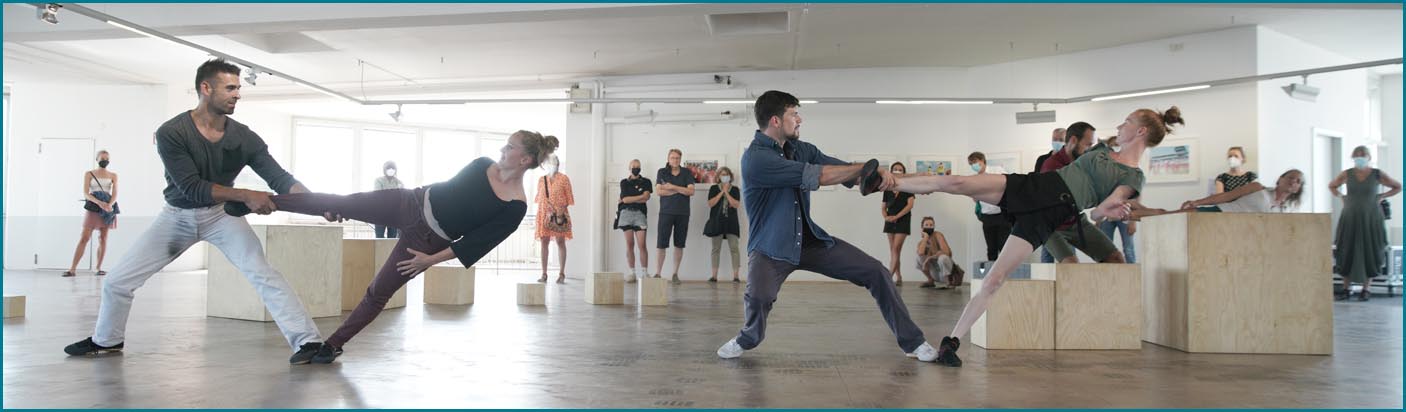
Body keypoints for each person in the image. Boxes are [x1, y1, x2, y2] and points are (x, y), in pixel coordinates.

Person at [63, 58, 326, 364]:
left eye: (238, 88)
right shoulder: (172, 132)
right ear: (206, 88)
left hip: (221, 216)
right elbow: (192, 187)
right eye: (230, 88)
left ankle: (308, 342)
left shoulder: (244, 137)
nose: (237, 94)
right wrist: (246, 195)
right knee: (117, 281)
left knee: (263, 273)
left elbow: (280, 178)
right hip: (177, 217)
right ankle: (106, 340)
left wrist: (320, 204)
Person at [881, 106, 1184, 367]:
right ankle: (888, 182)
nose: (1120, 125)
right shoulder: (1101, 149)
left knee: (994, 279)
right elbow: (1071, 159)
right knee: (958, 182)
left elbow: (1097, 213)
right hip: (1037, 186)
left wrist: (1113, 210)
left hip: (1052, 215)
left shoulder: (1133, 177)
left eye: (1127, 122)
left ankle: (952, 343)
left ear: (1141, 131)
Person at [229, 131, 556, 363]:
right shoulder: (480, 163)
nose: (502, 148)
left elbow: (474, 244)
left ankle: (331, 346)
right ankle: (261, 202)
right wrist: (362, 208)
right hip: (408, 202)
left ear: (525, 158)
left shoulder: (515, 206)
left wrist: (428, 260)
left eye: (510, 146)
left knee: (378, 292)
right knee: (338, 201)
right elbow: (450, 194)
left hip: (426, 243)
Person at [716, 90, 944, 363]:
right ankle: (746, 339)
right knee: (758, 299)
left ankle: (913, 342)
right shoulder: (756, 159)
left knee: (877, 272)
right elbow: (821, 175)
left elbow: (852, 174)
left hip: (809, 241)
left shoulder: (802, 150)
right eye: (794, 114)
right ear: (776, 120)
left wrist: (913, 182)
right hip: (770, 248)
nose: (800, 119)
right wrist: (867, 168)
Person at [1037, 122, 1125, 264]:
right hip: (1049, 225)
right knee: (1071, 264)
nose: (1090, 149)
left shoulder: (1085, 162)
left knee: (1115, 258)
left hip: (1073, 220)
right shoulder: (1051, 165)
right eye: (1088, 145)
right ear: (1073, 141)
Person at [1328, 146, 1402, 301]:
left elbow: (1397, 187)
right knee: (1347, 248)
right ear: (1353, 157)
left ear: (1369, 157)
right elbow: (1332, 186)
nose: (1360, 157)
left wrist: (1382, 196)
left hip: (1371, 217)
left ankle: (1366, 289)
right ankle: (1346, 288)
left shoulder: (1377, 174)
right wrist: (1341, 196)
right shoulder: (1347, 174)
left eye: (1362, 155)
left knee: (1371, 249)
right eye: (1357, 155)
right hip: (1350, 216)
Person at [1134, 169, 1304, 217]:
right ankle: (1129, 213)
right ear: (1280, 179)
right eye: (1290, 177)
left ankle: (1130, 211)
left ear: (1299, 188)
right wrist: (1198, 202)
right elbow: (1227, 196)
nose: (1293, 182)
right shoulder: (1258, 188)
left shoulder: (1284, 210)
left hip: (1235, 231)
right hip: (1219, 213)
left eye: (1298, 181)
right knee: (1167, 216)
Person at [65, 150, 119, 277]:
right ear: (97, 159)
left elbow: (115, 193)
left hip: (107, 208)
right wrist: (99, 203)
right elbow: (86, 193)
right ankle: (72, 269)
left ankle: (98, 268)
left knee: (103, 238)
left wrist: (109, 205)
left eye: (107, 159)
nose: (105, 161)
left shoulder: (113, 175)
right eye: (102, 158)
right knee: (84, 237)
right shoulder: (89, 174)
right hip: (94, 207)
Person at [655, 148, 696, 284]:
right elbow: (659, 192)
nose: (675, 160)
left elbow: (691, 191)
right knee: (661, 244)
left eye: (677, 158)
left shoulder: (687, 172)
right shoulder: (662, 172)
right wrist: (680, 190)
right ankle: (658, 274)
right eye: (672, 158)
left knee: (679, 244)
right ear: (668, 159)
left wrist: (672, 187)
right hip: (665, 212)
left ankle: (675, 274)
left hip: (682, 213)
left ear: (680, 159)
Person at [1097, 136, 1138, 263]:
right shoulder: (1103, 170)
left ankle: (1132, 274)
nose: (1116, 148)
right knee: (1105, 250)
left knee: (1128, 249)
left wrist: (1133, 221)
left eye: (1118, 145)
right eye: (1113, 145)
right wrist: (1098, 219)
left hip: (1125, 214)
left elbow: (1136, 196)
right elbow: (1100, 196)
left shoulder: (1132, 167)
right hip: (1107, 216)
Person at [535, 154, 573, 284]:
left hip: (559, 215)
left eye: (555, 162)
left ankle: (562, 273)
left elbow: (569, 198)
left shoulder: (564, 179)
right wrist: (546, 211)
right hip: (544, 215)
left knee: (560, 242)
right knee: (544, 242)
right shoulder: (542, 180)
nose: (553, 165)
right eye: (550, 162)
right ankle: (544, 273)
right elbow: (539, 199)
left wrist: (560, 210)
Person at [705, 166, 743, 283]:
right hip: (717, 222)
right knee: (715, 249)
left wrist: (727, 191)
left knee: (734, 248)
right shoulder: (713, 188)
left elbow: (736, 204)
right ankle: (714, 276)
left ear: (730, 176)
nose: (724, 176)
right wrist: (722, 191)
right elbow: (711, 203)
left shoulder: (735, 189)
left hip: (731, 222)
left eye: (726, 174)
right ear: (718, 176)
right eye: (722, 174)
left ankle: (736, 276)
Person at [617, 160, 652, 283]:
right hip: (626, 214)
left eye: (638, 167)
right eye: (633, 167)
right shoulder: (624, 182)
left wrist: (630, 198)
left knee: (642, 244)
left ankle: (645, 273)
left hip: (640, 214)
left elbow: (646, 197)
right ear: (629, 168)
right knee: (630, 244)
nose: (636, 168)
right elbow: (625, 200)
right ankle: (632, 273)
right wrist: (639, 197)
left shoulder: (646, 181)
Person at [969, 152, 1009, 262]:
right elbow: (975, 199)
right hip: (986, 216)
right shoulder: (974, 179)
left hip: (1002, 214)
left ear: (982, 160)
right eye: (971, 164)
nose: (973, 165)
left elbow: (1008, 185)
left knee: (1004, 245)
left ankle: (1006, 269)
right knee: (991, 248)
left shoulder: (997, 170)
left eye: (975, 162)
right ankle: (992, 271)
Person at [882, 162, 916, 286]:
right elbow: (883, 207)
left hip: (902, 220)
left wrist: (897, 217)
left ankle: (889, 276)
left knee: (895, 249)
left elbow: (910, 205)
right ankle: (899, 277)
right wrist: (886, 217)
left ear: (904, 172)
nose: (897, 171)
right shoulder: (888, 188)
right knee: (894, 251)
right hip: (890, 221)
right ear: (891, 171)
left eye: (900, 169)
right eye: (895, 169)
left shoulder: (908, 187)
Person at [915, 217, 963, 290]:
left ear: (934, 226)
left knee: (943, 258)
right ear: (922, 227)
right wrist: (925, 237)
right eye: (926, 225)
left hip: (947, 273)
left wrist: (929, 258)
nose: (929, 227)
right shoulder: (921, 242)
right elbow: (920, 253)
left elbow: (946, 252)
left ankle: (949, 282)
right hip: (936, 274)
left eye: (931, 225)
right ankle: (930, 280)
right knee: (918, 258)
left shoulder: (937, 234)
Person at [372, 161, 404, 238]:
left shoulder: (399, 182)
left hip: (394, 215)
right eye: (389, 168)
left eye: (393, 168)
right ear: (384, 169)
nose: (391, 170)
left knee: (392, 238)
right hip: (380, 214)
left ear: (395, 170)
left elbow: (401, 197)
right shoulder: (378, 180)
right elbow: (379, 195)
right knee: (379, 238)